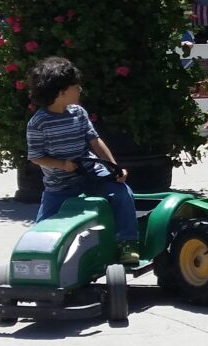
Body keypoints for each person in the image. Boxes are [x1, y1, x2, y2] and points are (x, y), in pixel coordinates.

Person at [25, 56, 140, 265]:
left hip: (92, 173)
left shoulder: (78, 113)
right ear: (61, 92)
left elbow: (95, 141)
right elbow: (36, 157)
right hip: (59, 185)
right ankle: (37, 257)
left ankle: (127, 242)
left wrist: (115, 167)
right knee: (43, 225)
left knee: (122, 193)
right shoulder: (38, 123)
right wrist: (62, 165)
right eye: (76, 86)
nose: (80, 89)